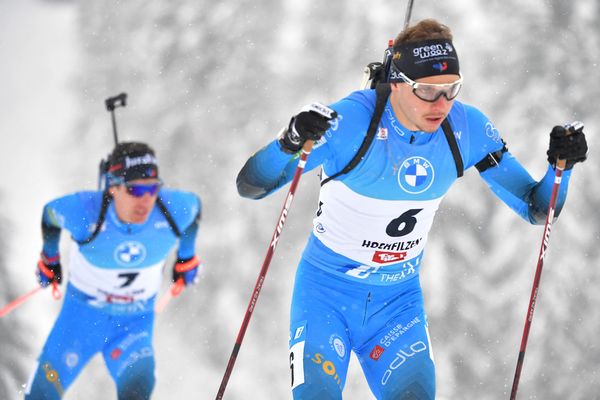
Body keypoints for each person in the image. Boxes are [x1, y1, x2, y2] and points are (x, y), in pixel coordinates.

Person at [236, 19, 587, 400]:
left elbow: (538, 209)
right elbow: (252, 186)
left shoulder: (465, 128)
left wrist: (559, 168)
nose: (441, 105)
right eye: (427, 91)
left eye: (451, 89)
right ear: (397, 83)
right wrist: (289, 141)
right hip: (325, 296)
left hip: (397, 305)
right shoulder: (352, 123)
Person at [25, 142, 202, 400]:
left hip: (132, 325)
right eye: (135, 189)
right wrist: (49, 258)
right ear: (113, 186)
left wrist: (186, 257)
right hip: (79, 321)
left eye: (152, 188)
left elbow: (194, 210)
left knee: (139, 386)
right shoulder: (86, 211)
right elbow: (50, 214)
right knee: (41, 395)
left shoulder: (173, 209)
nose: (146, 199)